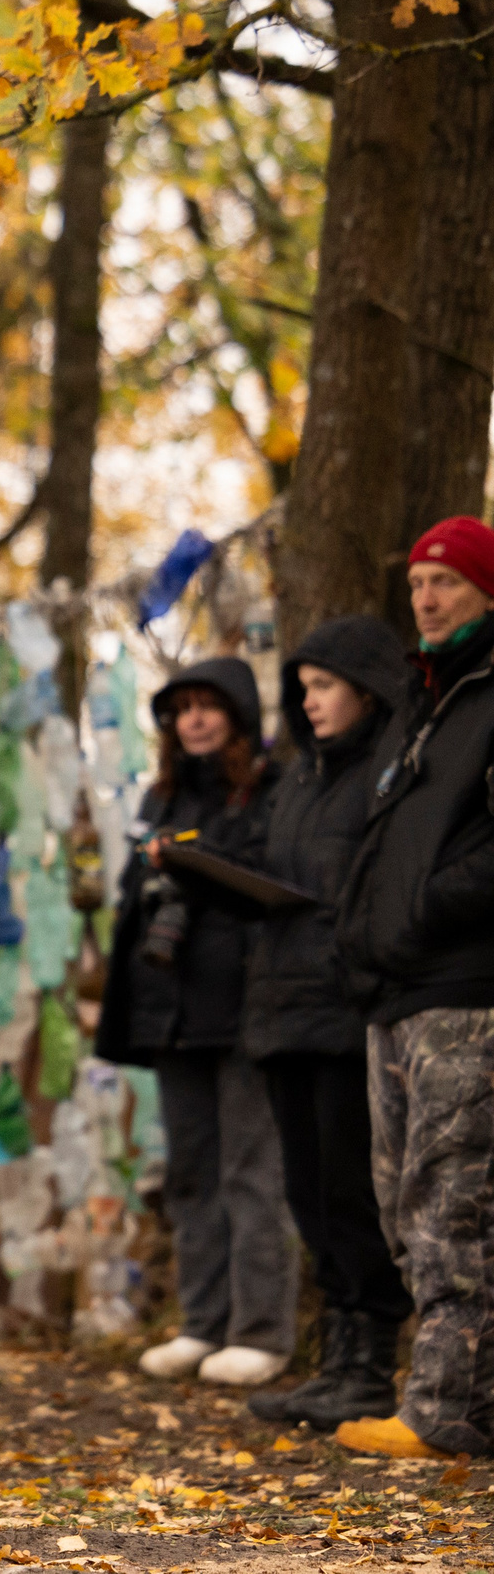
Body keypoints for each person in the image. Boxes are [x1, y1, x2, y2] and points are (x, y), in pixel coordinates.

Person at [334, 516, 494, 1459]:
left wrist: (424, 907)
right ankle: (461, 1394)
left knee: (453, 1205)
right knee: (403, 1204)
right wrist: (369, 934)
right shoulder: (420, 701)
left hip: (466, 991)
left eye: (447, 581)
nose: (427, 599)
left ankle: (446, 1410)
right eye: (418, 584)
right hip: (393, 989)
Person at [97, 657, 298, 1387]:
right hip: (172, 1012)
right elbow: (133, 894)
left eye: (208, 706)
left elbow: (272, 887)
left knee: (251, 1171)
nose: (194, 720)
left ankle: (261, 1331)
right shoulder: (163, 797)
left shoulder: (272, 791)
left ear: (238, 715)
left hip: (244, 1009)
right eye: (182, 709)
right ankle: (202, 1323)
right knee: (190, 1174)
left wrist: (195, 864)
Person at [241, 617, 415, 1429]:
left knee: (352, 1193)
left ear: (367, 690)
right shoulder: (298, 778)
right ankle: (337, 1361)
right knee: (308, 1194)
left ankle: (370, 1366)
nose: (309, 701)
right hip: (281, 1015)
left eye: (324, 686)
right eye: (302, 687)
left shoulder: (388, 772)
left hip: (346, 1016)